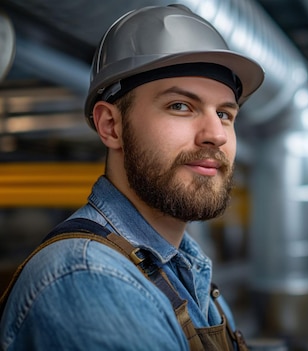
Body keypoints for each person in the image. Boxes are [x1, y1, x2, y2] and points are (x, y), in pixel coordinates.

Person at [0, 4, 264, 351]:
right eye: (180, 106)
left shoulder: (183, 266)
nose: (215, 133)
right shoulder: (90, 280)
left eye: (225, 113)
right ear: (111, 126)